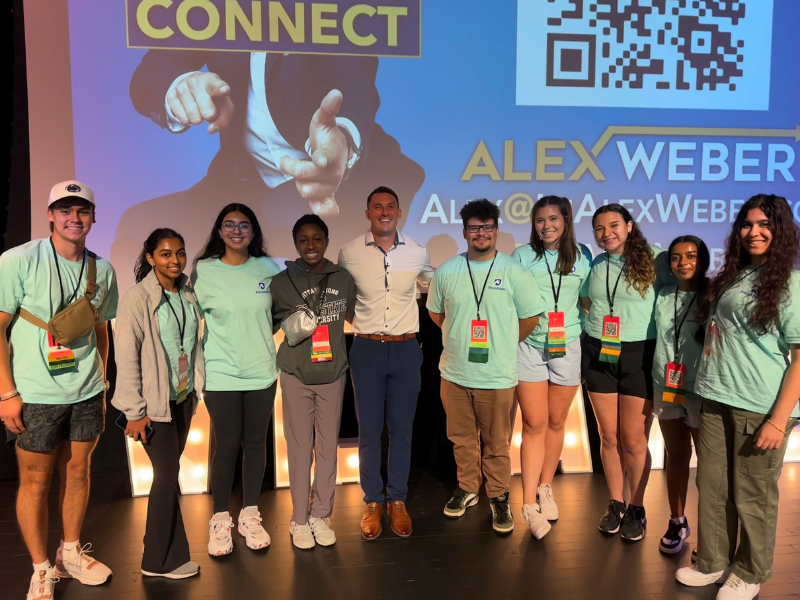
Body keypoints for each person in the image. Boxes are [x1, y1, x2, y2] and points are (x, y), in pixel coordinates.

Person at [112, 51, 425, 287]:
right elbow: (154, 69)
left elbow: (353, 79)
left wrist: (342, 141)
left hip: (337, 181)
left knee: (294, 234)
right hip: (242, 180)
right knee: (135, 226)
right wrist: (180, 88)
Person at [676, 195, 800, 600]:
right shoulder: (735, 274)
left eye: (765, 224)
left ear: (781, 230)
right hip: (715, 396)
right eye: (747, 224)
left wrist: (778, 420)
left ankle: (750, 572)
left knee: (753, 494)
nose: (754, 232)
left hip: (759, 405)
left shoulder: (790, 283)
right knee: (712, 486)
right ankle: (712, 562)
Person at [0, 181, 118, 600]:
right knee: (34, 480)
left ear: (93, 217)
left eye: (82, 210)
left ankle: (69, 552)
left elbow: (102, 330)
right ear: (50, 215)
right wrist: (6, 392)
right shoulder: (18, 260)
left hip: (86, 390)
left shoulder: (102, 269)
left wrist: (102, 383)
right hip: (33, 393)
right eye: (65, 210)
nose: (74, 217)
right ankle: (40, 568)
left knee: (79, 472)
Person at [428, 199, 543, 534]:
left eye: (488, 226)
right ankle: (467, 488)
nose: (482, 233)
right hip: (454, 373)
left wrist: (503, 344)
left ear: (497, 230)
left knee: (496, 441)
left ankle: (498, 495)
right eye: (475, 227)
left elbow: (530, 317)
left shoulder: (513, 271)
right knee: (461, 438)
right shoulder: (447, 270)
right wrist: (460, 336)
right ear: (465, 232)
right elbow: (437, 315)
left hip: (497, 375)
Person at [338, 186, 433, 540]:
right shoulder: (348, 253)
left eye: (390, 206)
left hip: (407, 349)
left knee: (402, 430)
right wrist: (363, 325)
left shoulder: (418, 252)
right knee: (369, 431)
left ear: (399, 211)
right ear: (367, 213)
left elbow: (434, 288)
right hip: (367, 349)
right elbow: (344, 300)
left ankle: (397, 500)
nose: (384, 211)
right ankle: (373, 501)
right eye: (377, 206)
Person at [112, 229, 203, 579]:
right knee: (166, 477)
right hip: (152, 407)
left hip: (181, 399)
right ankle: (156, 563)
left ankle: (170, 552)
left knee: (169, 476)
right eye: (165, 254)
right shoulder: (136, 299)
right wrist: (135, 411)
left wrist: (195, 390)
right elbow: (127, 358)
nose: (175, 260)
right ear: (150, 258)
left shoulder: (187, 291)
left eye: (180, 253)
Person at [580, 204, 674, 542]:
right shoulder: (597, 262)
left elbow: (674, 299)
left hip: (639, 354)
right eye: (600, 229)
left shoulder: (657, 258)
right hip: (599, 350)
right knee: (608, 437)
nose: (607, 233)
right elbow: (586, 300)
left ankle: (637, 506)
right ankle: (616, 502)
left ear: (630, 226)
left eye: (614, 225)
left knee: (634, 439)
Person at [191, 203, 281, 556]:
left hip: (261, 371)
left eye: (244, 225)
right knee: (227, 446)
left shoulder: (268, 268)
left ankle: (250, 515)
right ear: (219, 231)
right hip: (221, 373)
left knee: (256, 444)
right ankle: (219, 518)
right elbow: (188, 319)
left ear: (254, 232)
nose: (237, 230)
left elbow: (277, 314)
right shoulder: (204, 271)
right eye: (229, 225)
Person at [270, 215, 356, 550]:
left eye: (317, 239)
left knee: (327, 448)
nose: (310, 246)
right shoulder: (281, 282)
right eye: (303, 240)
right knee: (299, 447)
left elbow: (349, 315)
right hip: (296, 375)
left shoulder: (344, 279)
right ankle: (299, 519)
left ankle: (320, 514)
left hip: (333, 374)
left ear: (326, 241)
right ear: (295, 243)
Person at [511, 196, 590, 538]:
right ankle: (528, 503)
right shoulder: (521, 255)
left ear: (566, 220)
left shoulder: (584, 256)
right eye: (540, 220)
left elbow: (587, 300)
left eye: (553, 219)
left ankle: (546, 486)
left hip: (567, 344)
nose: (546, 226)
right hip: (528, 345)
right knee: (533, 423)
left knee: (557, 421)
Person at [652, 236, 709, 555]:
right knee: (676, 456)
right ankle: (677, 520)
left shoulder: (714, 296)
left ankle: (712, 534)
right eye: (675, 257)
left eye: (690, 256)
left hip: (702, 390)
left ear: (702, 259)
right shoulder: (662, 295)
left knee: (709, 464)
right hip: (666, 385)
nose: (683, 262)